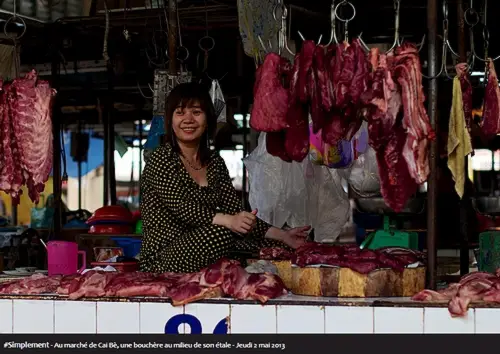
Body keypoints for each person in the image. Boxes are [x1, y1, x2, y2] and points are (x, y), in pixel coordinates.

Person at [139, 82, 310, 273]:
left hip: (207, 248)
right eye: (180, 113)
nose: (188, 119)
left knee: (280, 247)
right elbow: (182, 207)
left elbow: (235, 212)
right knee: (221, 234)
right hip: (163, 257)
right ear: (170, 120)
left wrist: (283, 235)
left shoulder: (215, 162)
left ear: (207, 120)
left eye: (196, 112)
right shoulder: (162, 158)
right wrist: (229, 221)